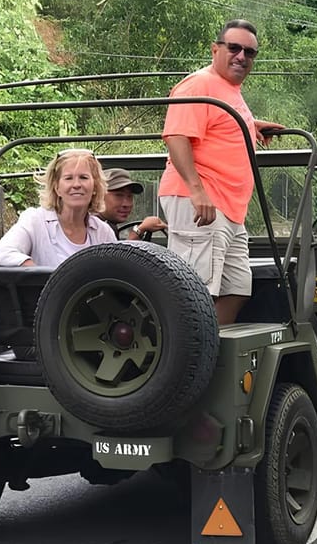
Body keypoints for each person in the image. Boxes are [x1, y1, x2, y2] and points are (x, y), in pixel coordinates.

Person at [160, 18, 284, 325]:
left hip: (230, 209)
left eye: (250, 52)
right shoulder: (199, 84)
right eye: (234, 48)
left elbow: (216, 124)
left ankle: (212, 351)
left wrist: (251, 127)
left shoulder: (230, 90)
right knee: (197, 292)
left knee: (237, 288)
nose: (242, 56)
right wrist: (196, 190)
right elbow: (176, 136)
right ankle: (190, 362)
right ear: (216, 49)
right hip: (201, 200)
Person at [0, 149, 117, 267]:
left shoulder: (103, 233)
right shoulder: (35, 220)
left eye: (83, 177)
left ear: (95, 187)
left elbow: (118, 273)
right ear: (57, 188)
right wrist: (37, 273)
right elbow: (2, 254)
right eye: (68, 178)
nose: (76, 184)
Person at [100, 168, 167, 240]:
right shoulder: (95, 228)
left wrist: (141, 229)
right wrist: (139, 229)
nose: (127, 204)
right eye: (118, 195)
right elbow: (121, 251)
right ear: (98, 195)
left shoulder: (109, 225)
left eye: (130, 196)